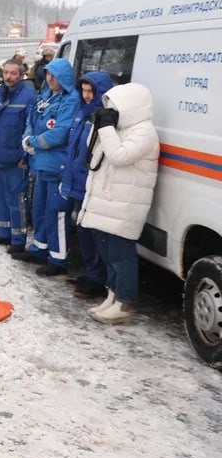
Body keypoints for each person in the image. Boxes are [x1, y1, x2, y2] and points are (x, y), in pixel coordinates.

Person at [78, 82, 160, 325]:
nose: (110, 112)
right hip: (109, 202)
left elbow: (119, 156)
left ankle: (124, 303)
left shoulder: (144, 132)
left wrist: (106, 128)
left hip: (125, 206)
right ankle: (112, 296)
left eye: (114, 107)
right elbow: (93, 153)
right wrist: (99, 126)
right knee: (107, 252)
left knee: (121, 256)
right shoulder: (120, 128)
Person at [13, 58, 79, 276]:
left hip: (57, 165)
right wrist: (27, 139)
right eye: (48, 74)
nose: (50, 79)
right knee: (39, 208)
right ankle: (39, 248)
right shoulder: (46, 96)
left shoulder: (70, 100)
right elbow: (32, 121)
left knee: (56, 212)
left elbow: (61, 132)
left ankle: (58, 258)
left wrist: (33, 142)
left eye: (54, 75)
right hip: (40, 163)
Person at [58, 71, 115, 299]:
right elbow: (74, 149)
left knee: (93, 235)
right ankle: (90, 274)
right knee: (82, 233)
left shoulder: (104, 118)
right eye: (84, 90)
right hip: (78, 182)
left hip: (90, 184)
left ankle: (97, 278)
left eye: (91, 91)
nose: (87, 95)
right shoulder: (83, 114)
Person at [0, 58, 37, 252]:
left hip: (15, 159)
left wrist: (25, 156)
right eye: (6, 73)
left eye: (13, 73)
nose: (9, 77)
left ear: (21, 75)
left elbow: (30, 128)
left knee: (16, 200)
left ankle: (18, 239)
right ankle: (3, 233)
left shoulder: (29, 97)